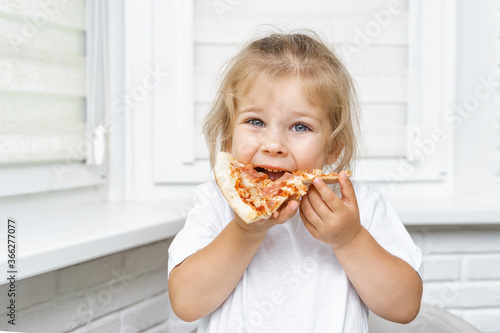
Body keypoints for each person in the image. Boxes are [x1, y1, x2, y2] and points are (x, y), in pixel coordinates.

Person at [168, 31, 423, 332]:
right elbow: (186, 303)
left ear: (334, 145)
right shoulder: (215, 202)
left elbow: (404, 307)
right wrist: (243, 230)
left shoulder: (361, 206)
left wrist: (351, 239)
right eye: (255, 122)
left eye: (300, 126)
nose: (274, 144)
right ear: (228, 133)